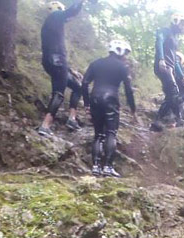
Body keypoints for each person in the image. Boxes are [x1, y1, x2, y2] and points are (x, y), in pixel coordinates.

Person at [81, 39, 136, 178]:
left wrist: (86, 103)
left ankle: (95, 166)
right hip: (111, 99)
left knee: (98, 134)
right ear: (121, 52)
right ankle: (108, 167)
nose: (126, 56)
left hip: (95, 98)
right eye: (125, 53)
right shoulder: (122, 67)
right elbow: (128, 89)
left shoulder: (96, 63)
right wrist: (132, 108)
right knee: (111, 132)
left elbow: (85, 83)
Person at [38, 0, 89, 136]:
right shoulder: (55, 16)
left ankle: (72, 119)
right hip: (58, 62)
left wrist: (70, 70)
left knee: (77, 87)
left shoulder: (50, 24)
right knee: (58, 93)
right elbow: (72, 11)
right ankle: (45, 125)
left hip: (53, 62)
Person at [151, 14, 184, 131]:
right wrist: (161, 59)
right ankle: (178, 119)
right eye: (182, 24)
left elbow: (175, 60)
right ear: (175, 21)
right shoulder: (164, 31)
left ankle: (156, 123)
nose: (183, 27)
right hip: (164, 66)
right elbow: (159, 43)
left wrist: (182, 77)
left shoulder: (175, 38)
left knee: (170, 95)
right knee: (173, 91)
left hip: (170, 67)